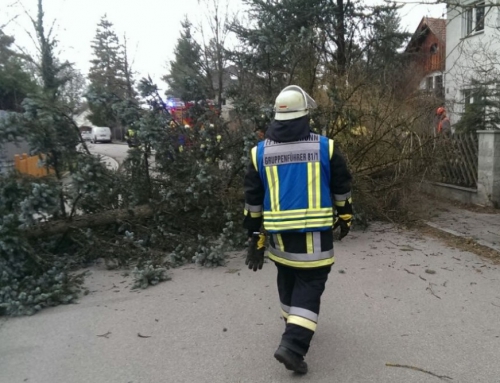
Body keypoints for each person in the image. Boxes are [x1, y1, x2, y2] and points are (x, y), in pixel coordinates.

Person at [243, 85, 353, 374]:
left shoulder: (260, 153)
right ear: (305, 117)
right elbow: (342, 186)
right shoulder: (324, 147)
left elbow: (253, 202)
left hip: (278, 238)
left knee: (288, 279)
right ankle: (292, 345)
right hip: (315, 236)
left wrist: (254, 236)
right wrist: (346, 217)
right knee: (311, 284)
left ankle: (293, 325)